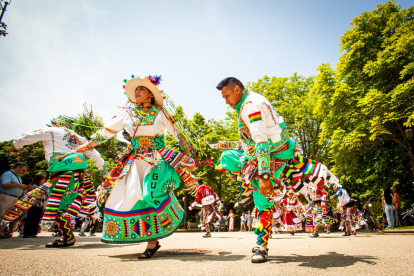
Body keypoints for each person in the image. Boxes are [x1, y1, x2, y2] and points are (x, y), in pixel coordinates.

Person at [75, 75, 198, 259]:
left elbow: (179, 134)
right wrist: (90, 144)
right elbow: (109, 129)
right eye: (136, 90)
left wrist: (187, 155)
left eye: (141, 89)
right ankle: (149, 239)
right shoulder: (128, 113)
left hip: (155, 160)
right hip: (133, 160)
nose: (137, 92)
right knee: (125, 195)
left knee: (151, 195)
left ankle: (154, 239)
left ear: (150, 94)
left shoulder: (161, 112)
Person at [216, 77, 297, 263]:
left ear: (237, 89)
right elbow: (250, 140)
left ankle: (262, 245)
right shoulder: (249, 100)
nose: (226, 101)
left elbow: (261, 141)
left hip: (272, 156)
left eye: (227, 96)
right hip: (256, 154)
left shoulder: (251, 106)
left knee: (262, 203)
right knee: (227, 157)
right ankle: (248, 187)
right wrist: (224, 144)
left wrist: (264, 176)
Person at [5, 115, 106, 247]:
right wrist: (103, 172)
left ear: (56, 123)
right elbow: (96, 155)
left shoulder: (51, 131)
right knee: (70, 203)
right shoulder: (78, 138)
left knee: (58, 204)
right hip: (80, 175)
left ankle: (67, 236)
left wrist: (15, 144)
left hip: (61, 173)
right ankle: (67, 233)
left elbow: (27, 136)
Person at [0, 162, 30, 238]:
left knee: (6, 216)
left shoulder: (18, 177)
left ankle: (1, 232)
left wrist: (24, 187)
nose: (24, 172)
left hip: (14, 197)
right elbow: (5, 184)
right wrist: (19, 185)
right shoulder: (8, 174)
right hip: (6, 197)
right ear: (17, 168)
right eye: (23, 170)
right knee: (1, 214)